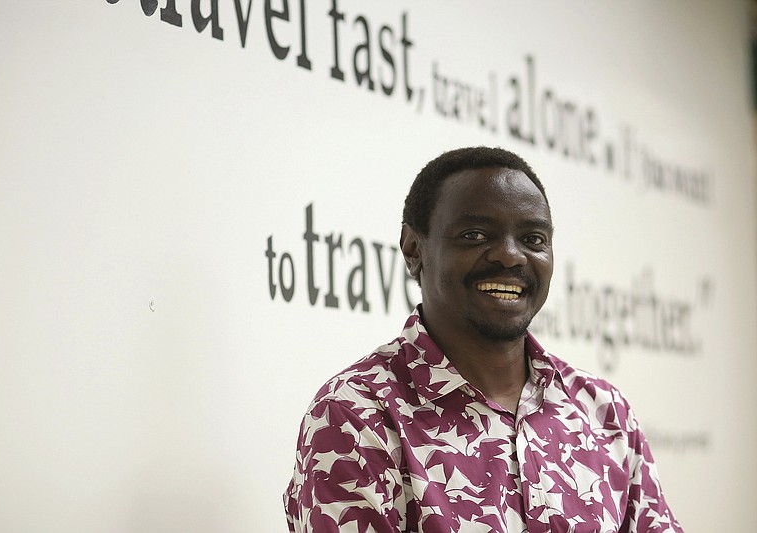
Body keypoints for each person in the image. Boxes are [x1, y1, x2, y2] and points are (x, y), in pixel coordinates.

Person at [284, 147, 682, 532]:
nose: (510, 256)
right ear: (413, 249)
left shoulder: (604, 411)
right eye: (474, 235)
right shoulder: (355, 415)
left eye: (534, 240)